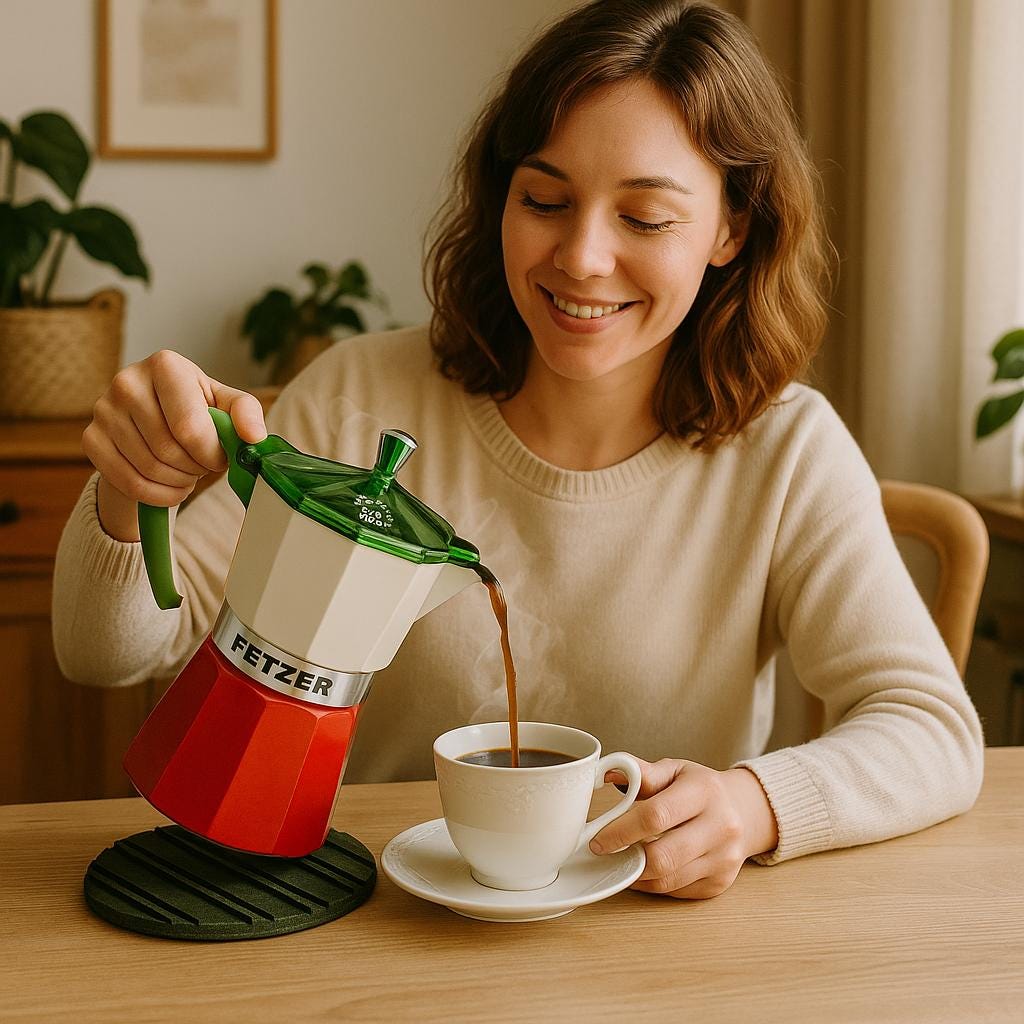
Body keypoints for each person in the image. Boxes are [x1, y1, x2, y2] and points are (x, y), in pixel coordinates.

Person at [52, 0, 982, 900]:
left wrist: (752, 805)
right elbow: (107, 654)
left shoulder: (786, 451)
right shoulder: (359, 397)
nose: (580, 257)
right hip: (370, 917)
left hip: (650, 946)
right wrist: (132, 493)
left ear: (732, 228)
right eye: (544, 198)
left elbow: (932, 730)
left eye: (645, 219)